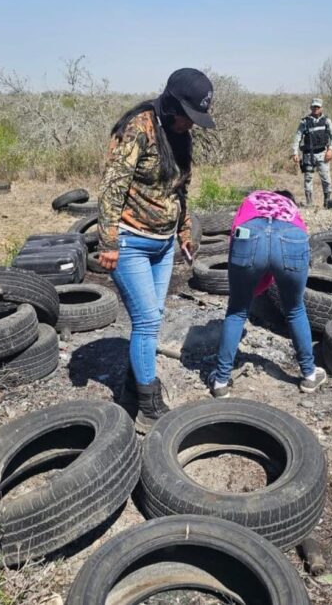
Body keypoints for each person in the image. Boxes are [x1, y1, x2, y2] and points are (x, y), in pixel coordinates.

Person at [97, 68, 213, 432]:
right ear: (171, 104)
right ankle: (148, 405)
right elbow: (113, 186)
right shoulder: (139, 128)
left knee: (154, 316)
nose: (190, 126)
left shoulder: (181, 137)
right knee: (146, 321)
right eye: (187, 117)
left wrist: (184, 230)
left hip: (163, 245)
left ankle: (133, 389)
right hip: (130, 240)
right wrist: (108, 241)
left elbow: (181, 190)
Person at [208, 190, 328, 398]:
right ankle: (309, 374)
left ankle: (220, 381)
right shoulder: (291, 207)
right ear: (287, 198)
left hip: (249, 234)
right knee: (295, 309)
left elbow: (235, 236)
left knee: (237, 311)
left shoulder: (252, 198)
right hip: (292, 236)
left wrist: (249, 288)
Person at [291, 98, 332, 208]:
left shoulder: (326, 121)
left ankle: (327, 203)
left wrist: (331, 150)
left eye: (317, 107)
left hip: (323, 154)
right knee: (308, 179)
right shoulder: (304, 121)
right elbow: (297, 137)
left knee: (326, 179)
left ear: (321, 108)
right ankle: (309, 203)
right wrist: (295, 152)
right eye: (314, 107)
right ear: (310, 108)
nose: (315, 109)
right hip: (308, 155)